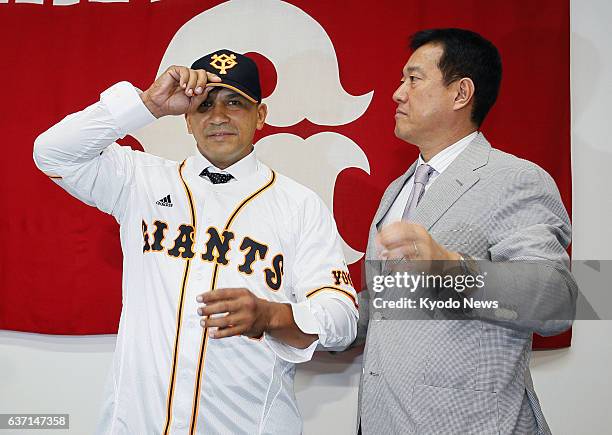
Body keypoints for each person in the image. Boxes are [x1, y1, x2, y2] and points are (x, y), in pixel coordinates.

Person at [34, 49, 358, 434]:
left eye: (235, 102)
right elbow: (53, 153)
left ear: (261, 115)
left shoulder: (299, 205)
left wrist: (271, 316)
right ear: (187, 120)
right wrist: (146, 104)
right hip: (139, 424)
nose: (218, 117)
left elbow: (343, 319)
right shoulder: (140, 180)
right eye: (203, 105)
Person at [355, 29, 577, 434]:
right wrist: (294, 316)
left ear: (461, 93)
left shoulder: (516, 178)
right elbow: (387, 307)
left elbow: (556, 299)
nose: (397, 93)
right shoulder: (396, 190)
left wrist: (449, 266)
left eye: (413, 79)